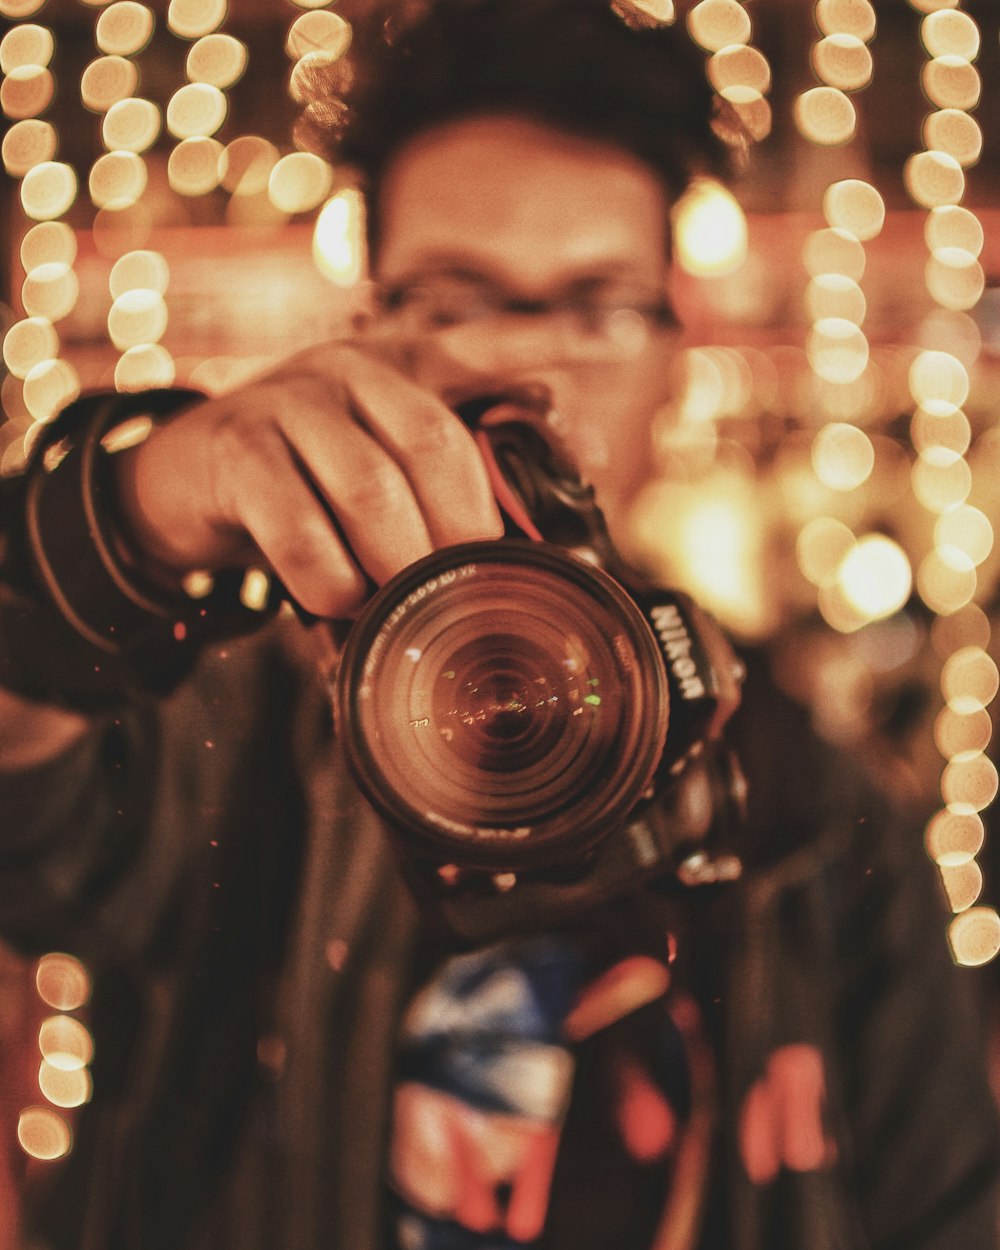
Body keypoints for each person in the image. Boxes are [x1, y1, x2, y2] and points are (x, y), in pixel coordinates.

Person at [1, 2, 998, 1247]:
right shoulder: (237, 726)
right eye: (465, 298)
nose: (535, 370)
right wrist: (131, 515)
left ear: (672, 359)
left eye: (595, 306)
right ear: (374, 330)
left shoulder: (816, 804)